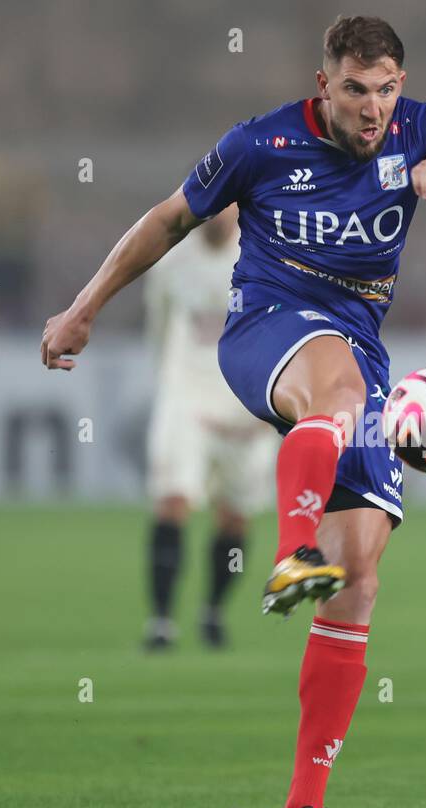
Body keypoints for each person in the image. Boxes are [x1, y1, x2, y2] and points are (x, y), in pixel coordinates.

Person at [41, 15, 426, 808]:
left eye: (386, 90)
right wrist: (83, 311)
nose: (373, 109)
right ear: (324, 83)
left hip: (364, 352)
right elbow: (166, 220)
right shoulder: (259, 143)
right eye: (356, 90)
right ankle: (294, 548)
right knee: (330, 396)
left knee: (361, 576)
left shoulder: (421, 131)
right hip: (267, 325)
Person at [142, 204, 276, 652]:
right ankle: (161, 622)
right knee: (173, 502)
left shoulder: (261, 256)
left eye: (228, 207)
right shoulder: (170, 258)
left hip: (243, 408)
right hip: (185, 398)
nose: (218, 215)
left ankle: (213, 612)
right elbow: (158, 326)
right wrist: (168, 381)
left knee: (235, 519)